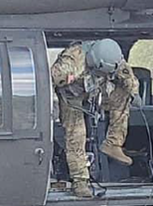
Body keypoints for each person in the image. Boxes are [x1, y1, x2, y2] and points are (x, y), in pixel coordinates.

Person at [51, 39, 139, 198]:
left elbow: (128, 77)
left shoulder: (113, 59)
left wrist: (133, 93)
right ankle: (80, 181)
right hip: (71, 97)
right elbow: (48, 82)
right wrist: (53, 108)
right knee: (76, 134)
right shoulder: (70, 63)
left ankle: (113, 144)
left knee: (122, 97)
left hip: (93, 91)